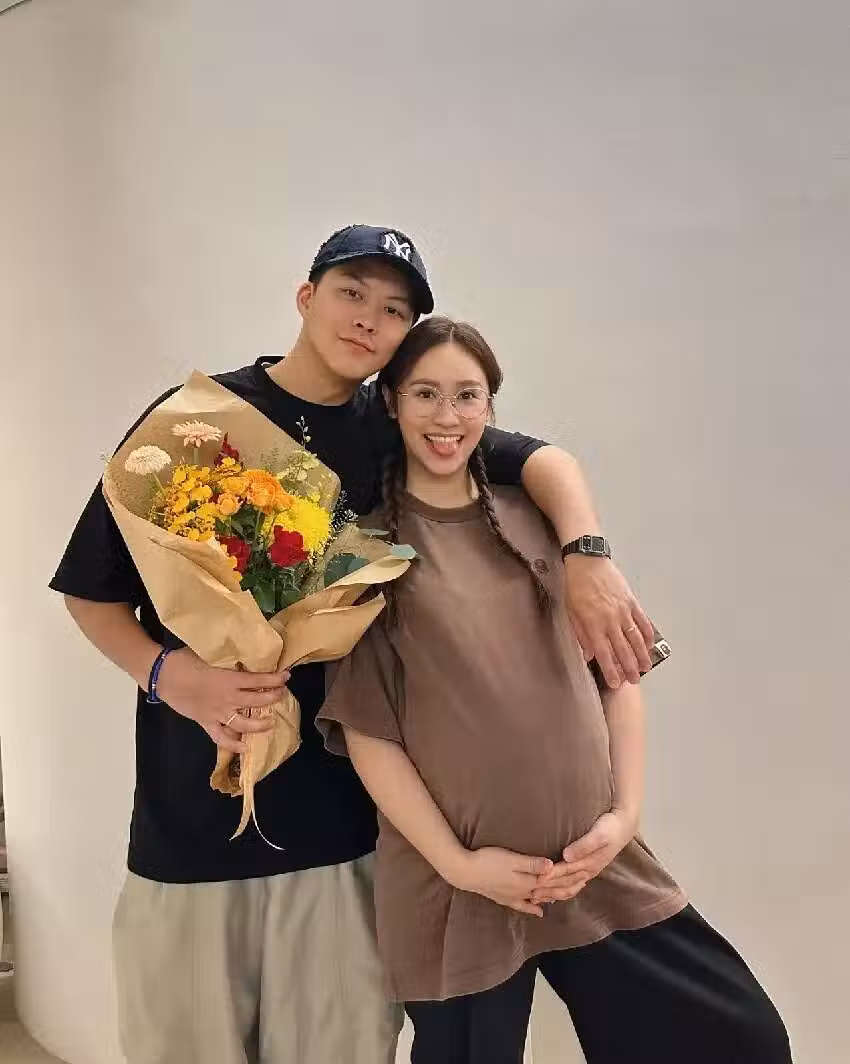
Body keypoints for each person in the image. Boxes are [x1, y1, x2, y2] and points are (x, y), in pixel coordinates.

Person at [50, 225, 656, 1064]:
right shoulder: (199, 423)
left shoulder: (400, 426)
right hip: (191, 819)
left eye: (395, 309)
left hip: (347, 835)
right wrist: (167, 675)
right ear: (306, 297)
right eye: (352, 293)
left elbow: (541, 457)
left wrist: (589, 556)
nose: (370, 319)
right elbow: (90, 589)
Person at [317, 316, 793, 1064]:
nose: (447, 416)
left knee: (740, 1037)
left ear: (490, 406)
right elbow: (368, 734)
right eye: (426, 393)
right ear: (392, 403)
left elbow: (619, 676)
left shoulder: (546, 525)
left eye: (467, 395)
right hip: (459, 891)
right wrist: (460, 865)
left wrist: (623, 818)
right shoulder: (367, 554)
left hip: (592, 869)